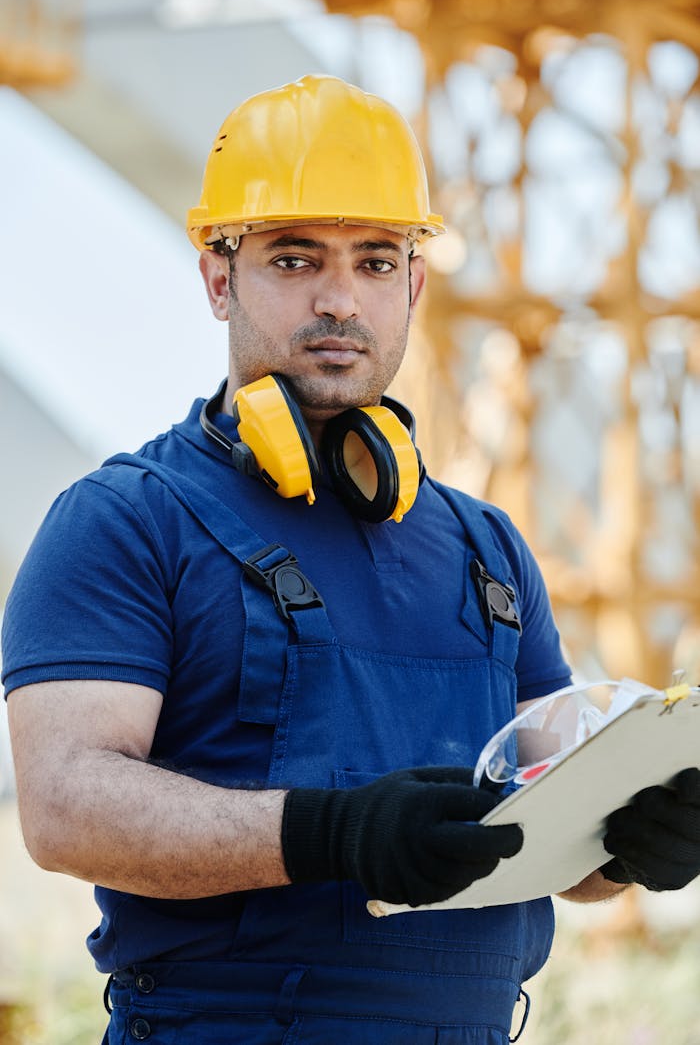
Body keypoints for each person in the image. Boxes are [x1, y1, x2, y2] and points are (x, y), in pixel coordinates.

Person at [3, 75, 699, 1045]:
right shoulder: (125, 523)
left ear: (413, 284)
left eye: (375, 261)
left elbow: (546, 823)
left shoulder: (486, 552)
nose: (339, 298)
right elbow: (65, 806)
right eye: (294, 259)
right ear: (216, 277)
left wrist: (628, 839)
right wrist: (334, 835)